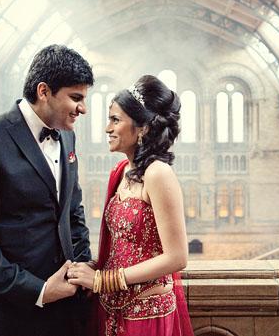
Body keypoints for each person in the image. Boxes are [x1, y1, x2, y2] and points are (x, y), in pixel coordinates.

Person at [0, 45, 94, 336]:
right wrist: (37, 290)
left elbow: (72, 212)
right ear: (44, 91)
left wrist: (82, 264)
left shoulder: (68, 138)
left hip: (58, 313)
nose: (83, 108)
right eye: (75, 98)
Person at [67, 75, 194, 336]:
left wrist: (104, 280)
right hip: (112, 308)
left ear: (143, 128)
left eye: (116, 120)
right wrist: (94, 268)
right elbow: (121, 245)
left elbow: (177, 257)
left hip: (148, 314)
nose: (107, 129)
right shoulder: (122, 171)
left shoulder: (158, 174)